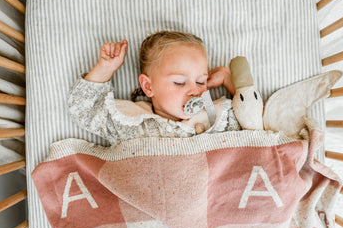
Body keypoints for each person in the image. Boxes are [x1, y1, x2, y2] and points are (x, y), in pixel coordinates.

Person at [68, 31, 241, 145]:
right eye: (180, 82)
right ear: (148, 86)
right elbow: (84, 109)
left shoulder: (213, 117)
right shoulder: (131, 121)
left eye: (201, 81)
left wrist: (227, 78)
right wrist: (105, 69)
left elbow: (252, 119)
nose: (194, 91)